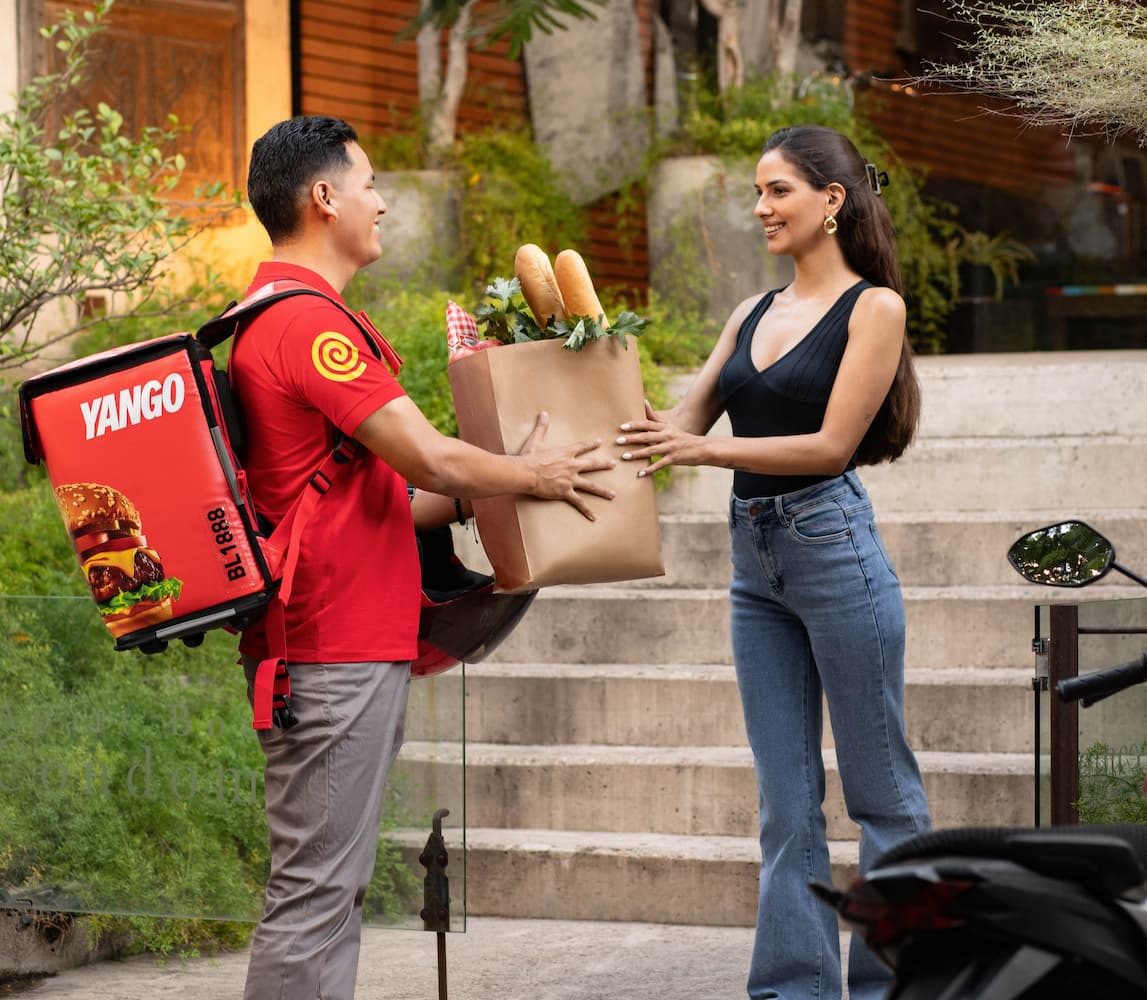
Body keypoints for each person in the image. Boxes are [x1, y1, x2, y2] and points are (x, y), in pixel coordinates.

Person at [232, 114, 615, 1000]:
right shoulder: (305, 326)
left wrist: (521, 479)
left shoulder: (287, 317)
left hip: (344, 643)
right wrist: (529, 471)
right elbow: (429, 457)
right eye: (368, 183)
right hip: (330, 648)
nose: (381, 201)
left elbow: (397, 498)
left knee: (331, 891)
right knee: (315, 896)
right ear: (323, 198)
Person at [614, 124, 932, 1000]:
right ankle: (794, 988)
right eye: (756, 192)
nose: (760, 208)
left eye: (778, 190)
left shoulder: (873, 309)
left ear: (831, 201)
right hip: (754, 565)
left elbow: (832, 446)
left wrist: (704, 456)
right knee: (784, 803)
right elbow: (676, 427)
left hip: (832, 548)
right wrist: (596, 382)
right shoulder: (748, 313)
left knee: (882, 798)